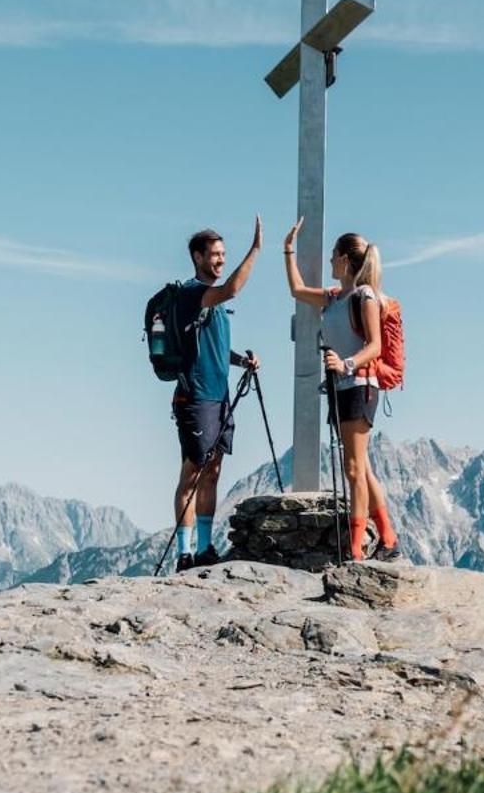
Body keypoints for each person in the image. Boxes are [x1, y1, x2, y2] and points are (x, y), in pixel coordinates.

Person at [282, 219, 399, 561]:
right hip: (341, 387)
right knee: (361, 467)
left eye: (334, 256)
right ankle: (388, 539)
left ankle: (355, 547)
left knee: (352, 468)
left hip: (359, 386)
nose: (330, 261)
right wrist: (288, 249)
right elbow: (297, 291)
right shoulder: (335, 298)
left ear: (346, 260)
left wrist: (345, 364)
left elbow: (375, 346)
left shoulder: (364, 297)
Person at [170, 217, 263, 568]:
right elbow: (234, 288)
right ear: (197, 257)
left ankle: (205, 549)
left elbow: (215, 348)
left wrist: (241, 360)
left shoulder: (214, 302)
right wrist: (255, 250)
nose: (221, 260)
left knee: (212, 471)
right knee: (192, 473)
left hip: (219, 396)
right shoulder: (193, 293)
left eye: (224, 254)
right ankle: (184, 554)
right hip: (196, 397)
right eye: (215, 255)